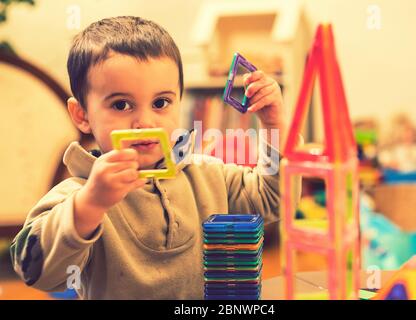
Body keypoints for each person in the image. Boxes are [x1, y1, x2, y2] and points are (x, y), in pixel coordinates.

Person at [10, 16, 286, 299]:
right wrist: (89, 205)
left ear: (180, 101)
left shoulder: (209, 173)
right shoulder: (79, 193)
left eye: (160, 103)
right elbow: (36, 270)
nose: (145, 121)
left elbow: (273, 199)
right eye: (121, 104)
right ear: (82, 115)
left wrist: (274, 126)